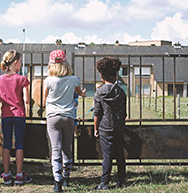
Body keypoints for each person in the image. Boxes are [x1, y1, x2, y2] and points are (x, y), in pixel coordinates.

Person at [44, 49, 86, 192]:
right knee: (67, 147)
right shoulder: (74, 79)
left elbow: (44, 99)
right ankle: (67, 178)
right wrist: (83, 94)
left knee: (55, 148)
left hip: (52, 117)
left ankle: (57, 182)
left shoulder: (48, 80)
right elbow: (80, 93)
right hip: (68, 116)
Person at [0, 50, 32, 186]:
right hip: (19, 115)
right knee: (19, 145)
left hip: (6, 115)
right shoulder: (22, 79)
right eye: (20, 62)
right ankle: (20, 175)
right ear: (15, 63)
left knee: (6, 145)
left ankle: (7, 175)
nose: (21, 65)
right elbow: (27, 100)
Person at [93, 57, 127, 190]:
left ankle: (104, 182)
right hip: (119, 127)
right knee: (120, 155)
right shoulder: (121, 92)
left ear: (101, 75)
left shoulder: (99, 92)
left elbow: (97, 113)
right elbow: (124, 112)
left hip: (105, 128)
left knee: (107, 156)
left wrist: (96, 128)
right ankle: (122, 181)